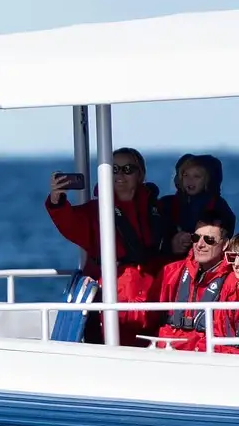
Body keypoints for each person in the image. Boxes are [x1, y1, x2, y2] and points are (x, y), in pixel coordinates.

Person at [46, 147, 165, 347]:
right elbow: (69, 222)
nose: (120, 175)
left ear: (141, 174)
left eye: (128, 169)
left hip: (152, 298)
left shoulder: (158, 209)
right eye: (114, 169)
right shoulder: (96, 211)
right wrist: (57, 199)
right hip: (111, 300)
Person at [148, 210, 234, 352]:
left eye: (209, 240)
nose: (200, 244)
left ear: (224, 245)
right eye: (196, 237)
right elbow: (149, 317)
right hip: (168, 355)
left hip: (208, 359)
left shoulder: (232, 280)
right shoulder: (170, 272)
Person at [158, 153, 235, 261]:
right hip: (170, 264)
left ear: (207, 180)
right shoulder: (166, 204)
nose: (190, 180)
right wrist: (171, 244)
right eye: (186, 175)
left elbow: (221, 241)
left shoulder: (218, 207)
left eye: (196, 176)